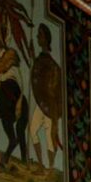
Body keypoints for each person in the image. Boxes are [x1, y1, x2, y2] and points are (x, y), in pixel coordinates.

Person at [29, 24, 62, 169]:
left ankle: (51, 168)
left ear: (46, 39)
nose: (37, 37)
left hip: (49, 105)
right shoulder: (41, 59)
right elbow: (38, 75)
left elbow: (53, 85)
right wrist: (32, 57)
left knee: (50, 139)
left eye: (40, 35)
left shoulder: (52, 65)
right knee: (32, 130)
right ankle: (41, 164)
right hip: (41, 102)